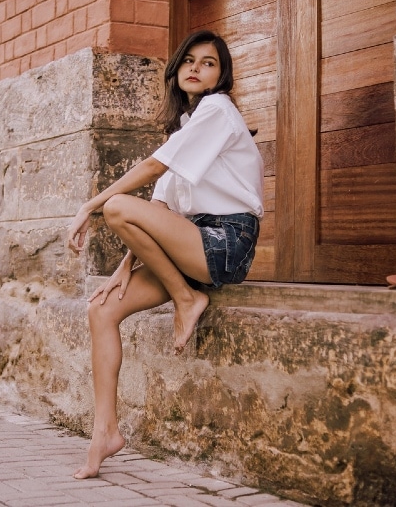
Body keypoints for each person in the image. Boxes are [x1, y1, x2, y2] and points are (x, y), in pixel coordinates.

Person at [66, 30, 264, 479]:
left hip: (226, 242)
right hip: (190, 244)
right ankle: (105, 432)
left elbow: (148, 176)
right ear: (176, 72)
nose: (196, 68)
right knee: (101, 311)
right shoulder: (185, 129)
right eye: (188, 61)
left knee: (116, 205)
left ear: (221, 75)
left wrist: (90, 206)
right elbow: (157, 211)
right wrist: (123, 267)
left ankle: (187, 298)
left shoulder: (218, 110)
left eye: (208, 62)